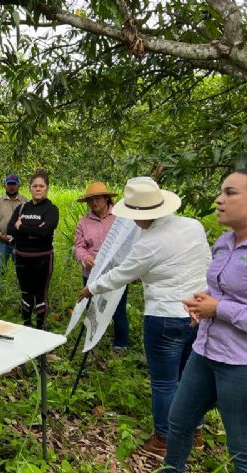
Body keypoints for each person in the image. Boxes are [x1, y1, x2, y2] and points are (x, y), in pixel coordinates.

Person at [77, 177, 211, 457]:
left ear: (141, 215)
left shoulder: (147, 243)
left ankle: (163, 439)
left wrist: (91, 288)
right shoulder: (193, 226)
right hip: (199, 313)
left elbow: (120, 274)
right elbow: (201, 263)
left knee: (164, 382)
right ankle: (195, 432)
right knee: (191, 378)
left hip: (164, 317)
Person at [164, 169, 247, 473]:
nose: (219, 199)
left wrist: (219, 308)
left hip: (240, 363)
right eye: (220, 191)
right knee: (179, 421)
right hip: (205, 352)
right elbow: (221, 288)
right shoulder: (224, 242)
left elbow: (226, 304)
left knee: (241, 450)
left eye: (230, 193)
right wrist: (204, 301)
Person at [74, 182, 129, 349]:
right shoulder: (84, 222)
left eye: (98, 198)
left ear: (106, 198)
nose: (94, 203)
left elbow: (128, 243)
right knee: (93, 307)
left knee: (118, 308)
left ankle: (121, 344)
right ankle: (93, 342)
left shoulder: (120, 219)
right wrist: (86, 258)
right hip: (91, 272)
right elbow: (78, 246)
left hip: (116, 271)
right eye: (90, 200)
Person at [7, 169, 59, 329]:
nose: (38, 189)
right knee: (25, 294)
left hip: (42, 259)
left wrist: (22, 227)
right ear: (29, 188)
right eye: (35, 186)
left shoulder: (51, 209)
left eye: (41, 186)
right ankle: (26, 326)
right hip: (22, 258)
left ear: (47, 188)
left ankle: (40, 330)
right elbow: (10, 229)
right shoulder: (22, 208)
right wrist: (34, 229)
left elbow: (45, 232)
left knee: (40, 295)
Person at [0, 174, 27, 284]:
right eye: (9, 184)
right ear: (4, 186)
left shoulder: (25, 201)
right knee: (0, 268)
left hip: (20, 242)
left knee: (21, 268)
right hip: (2, 241)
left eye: (14, 184)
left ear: (18, 185)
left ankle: (23, 292)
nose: (11, 187)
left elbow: (30, 220)